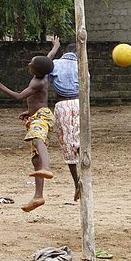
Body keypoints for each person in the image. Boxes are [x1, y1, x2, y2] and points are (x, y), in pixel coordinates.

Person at [0, 55, 55, 212]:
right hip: (36, 115)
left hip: (42, 117)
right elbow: (48, 58)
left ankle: (46, 167)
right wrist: (55, 47)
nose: (28, 63)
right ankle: (38, 196)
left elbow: (18, 96)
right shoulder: (43, 73)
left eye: (31, 63)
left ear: (36, 69)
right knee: (35, 159)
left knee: (38, 139)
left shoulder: (37, 82)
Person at [47, 36, 81, 201]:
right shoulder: (82, 66)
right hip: (80, 104)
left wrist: (54, 49)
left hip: (63, 105)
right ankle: (84, 178)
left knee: (68, 145)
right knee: (81, 142)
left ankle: (77, 183)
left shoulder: (56, 64)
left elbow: (42, 68)